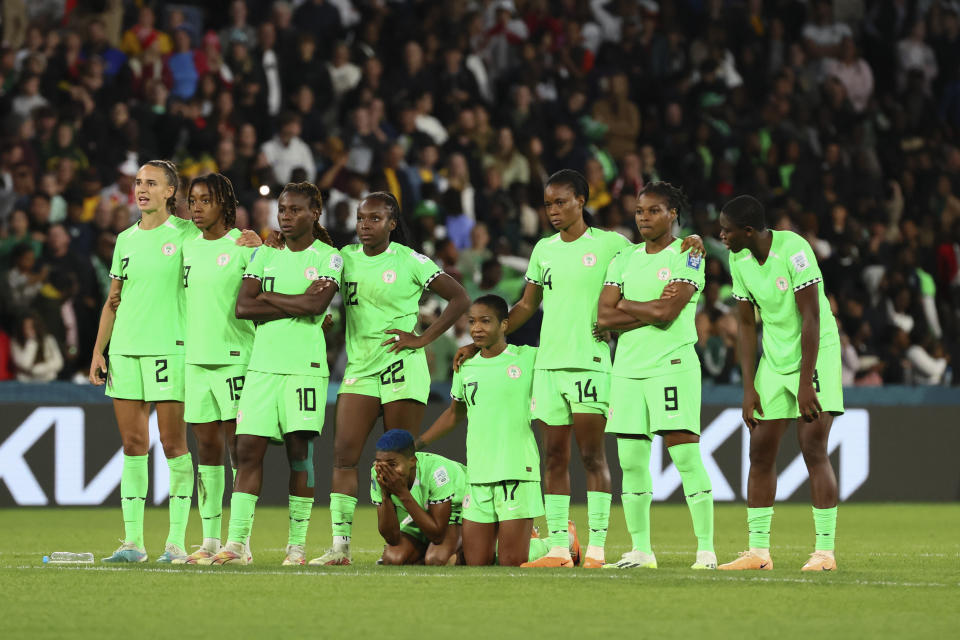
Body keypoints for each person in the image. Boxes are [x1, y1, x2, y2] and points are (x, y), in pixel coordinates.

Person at [456, 170, 701, 569]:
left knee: (592, 457)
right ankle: (557, 548)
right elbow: (525, 306)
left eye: (561, 202)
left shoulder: (612, 245)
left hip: (590, 362)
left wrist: (693, 242)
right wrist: (484, 338)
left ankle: (597, 549)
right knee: (553, 457)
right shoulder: (543, 250)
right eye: (548, 204)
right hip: (548, 364)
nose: (553, 211)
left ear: (582, 201)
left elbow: (658, 248)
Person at [311, 191, 470, 566]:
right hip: (361, 368)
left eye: (375, 219)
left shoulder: (411, 260)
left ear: (392, 223)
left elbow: (460, 298)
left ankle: (414, 536)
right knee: (344, 456)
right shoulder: (344, 259)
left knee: (402, 459)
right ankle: (340, 546)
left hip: (402, 367)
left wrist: (422, 338)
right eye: (361, 219)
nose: (365, 226)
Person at [203, 183, 341, 566]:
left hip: (304, 368)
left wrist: (271, 298)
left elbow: (317, 304)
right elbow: (244, 307)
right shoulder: (265, 253)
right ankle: (236, 544)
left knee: (300, 453)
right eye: (282, 209)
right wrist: (299, 306)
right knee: (246, 451)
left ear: (315, 213)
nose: (285, 215)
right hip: (262, 366)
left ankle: (296, 547)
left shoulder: (330, 257)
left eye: (295, 209)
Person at [716, 195, 843, 572]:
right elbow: (744, 324)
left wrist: (806, 383)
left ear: (749, 231)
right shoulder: (738, 260)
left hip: (815, 353)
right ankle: (758, 553)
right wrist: (748, 386)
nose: (721, 236)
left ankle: (824, 553)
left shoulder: (795, 250)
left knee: (812, 445)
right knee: (760, 450)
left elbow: (812, 319)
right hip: (774, 360)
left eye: (727, 230)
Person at [596, 182, 716, 570]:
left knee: (684, 455)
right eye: (639, 211)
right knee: (630, 460)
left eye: (653, 211)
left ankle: (707, 550)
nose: (644, 218)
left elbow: (668, 315)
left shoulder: (690, 254)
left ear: (672, 215)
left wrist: (626, 306)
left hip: (672, 366)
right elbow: (603, 316)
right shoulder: (624, 259)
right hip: (627, 370)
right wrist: (646, 308)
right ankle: (641, 551)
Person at [88, 160, 195, 563]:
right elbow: (113, 301)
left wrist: (252, 242)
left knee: (172, 444)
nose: (141, 189)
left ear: (171, 191)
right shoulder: (125, 239)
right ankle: (133, 542)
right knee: (133, 445)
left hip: (170, 348)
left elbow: (225, 242)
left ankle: (177, 543)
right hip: (126, 351)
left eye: (152, 183)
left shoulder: (186, 234)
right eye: (137, 182)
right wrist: (100, 350)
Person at [417, 295, 554, 566]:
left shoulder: (528, 358)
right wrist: (418, 443)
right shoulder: (465, 365)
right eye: (472, 322)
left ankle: (557, 545)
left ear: (505, 325)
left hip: (517, 470)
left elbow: (563, 348)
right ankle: (532, 539)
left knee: (511, 563)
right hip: (478, 474)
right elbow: (455, 414)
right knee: (477, 563)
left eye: (485, 321)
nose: (477, 328)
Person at [174, 173, 259, 564]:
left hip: (235, 359)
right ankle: (210, 540)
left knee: (239, 451)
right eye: (192, 200)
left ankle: (239, 543)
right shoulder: (187, 247)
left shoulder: (243, 246)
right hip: (195, 361)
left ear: (225, 204)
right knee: (205, 450)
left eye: (205, 200)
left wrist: (263, 242)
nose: (196, 207)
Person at [370, 429, 465, 566]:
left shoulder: (437, 472)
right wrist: (385, 495)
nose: (386, 472)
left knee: (436, 559)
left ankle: (465, 550)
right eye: (380, 464)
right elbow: (392, 538)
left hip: (458, 508)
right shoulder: (377, 473)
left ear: (412, 461)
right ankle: (427, 552)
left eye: (392, 464)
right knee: (392, 559)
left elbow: (437, 536)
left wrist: (403, 494)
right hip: (424, 511)